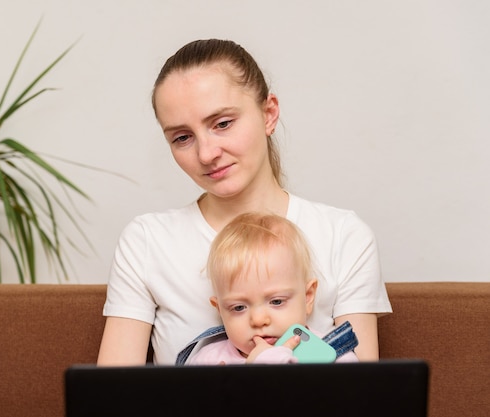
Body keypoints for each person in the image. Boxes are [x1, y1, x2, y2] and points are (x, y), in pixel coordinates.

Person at [97, 38, 392, 365]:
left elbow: (364, 396)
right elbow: (112, 396)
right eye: (182, 137)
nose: (206, 154)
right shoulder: (147, 241)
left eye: (222, 124)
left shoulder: (344, 236)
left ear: (269, 113)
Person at [186, 212, 357, 365]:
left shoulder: (335, 358)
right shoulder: (206, 362)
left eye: (276, 301)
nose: (259, 320)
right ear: (220, 310)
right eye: (239, 307)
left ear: (308, 297)